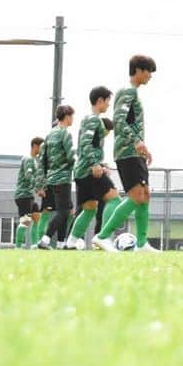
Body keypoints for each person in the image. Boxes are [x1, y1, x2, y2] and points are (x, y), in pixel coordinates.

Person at [92, 54, 157, 253]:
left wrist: (143, 146)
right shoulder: (128, 91)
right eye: (148, 72)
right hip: (127, 152)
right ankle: (102, 236)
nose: (150, 77)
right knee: (137, 195)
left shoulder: (133, 92)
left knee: (145, 194)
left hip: (134, 152)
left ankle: (142, 244)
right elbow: (119, 120)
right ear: (138, 70)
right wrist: (136, 142)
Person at [66, 87, 123, 249]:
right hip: (88, 171)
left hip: (81, 171)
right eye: (107, 101)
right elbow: (85, 144)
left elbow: (87, 145)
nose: (108, 105)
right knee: (115, 199)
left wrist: (100, 163)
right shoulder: (93, 119)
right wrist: (95, 164)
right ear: (100, 100)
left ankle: (70, 243)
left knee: (90, 209)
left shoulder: (88, 119)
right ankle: (103, 237)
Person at [37, 105, 76, 249]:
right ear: (66, 116)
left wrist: (42, 182)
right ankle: (45, 240)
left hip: (51, 179)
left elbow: (43, 159)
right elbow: (71, 156)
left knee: (63, 211)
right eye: (72, 116)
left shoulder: (50, 134)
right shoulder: (65, 134)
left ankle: (60, 244)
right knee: (64, 212)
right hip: (63, 178)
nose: (72, 119)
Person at [14, 136, 45, 249]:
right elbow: (28, 176)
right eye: (42, 147)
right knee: (25, 221)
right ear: (35, 146)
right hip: (23, 195)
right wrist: (38, 189)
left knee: (37, 216)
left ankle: (34, 245)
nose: (43, 150)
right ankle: (17, 247)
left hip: (29, 195)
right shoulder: (28, 159)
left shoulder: (36, 161)